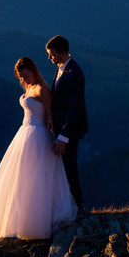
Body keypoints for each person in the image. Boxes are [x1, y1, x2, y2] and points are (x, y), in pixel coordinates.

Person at [0, 57, 77, 239]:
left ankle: (37, 223)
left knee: (37, 179)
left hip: (37, 135)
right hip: (24, 133)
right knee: (21, 178)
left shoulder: (42, 89)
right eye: (21, 77)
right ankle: (21, 221)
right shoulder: (29, 88)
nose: (24, 80)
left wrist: (56, 139)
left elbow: (51, 116)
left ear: (33, 71)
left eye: (26, 76)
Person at [46, 35, 88, 210]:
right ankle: (67, 205)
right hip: (60, 128)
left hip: (69, 131)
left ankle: (78, 205)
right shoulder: (62, 69)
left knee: (69, 167)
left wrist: (63, 136)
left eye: (52, 54)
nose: (50, 58)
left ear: (63, 53)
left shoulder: (74, 74)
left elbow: (75, 109)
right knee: (63, 168)